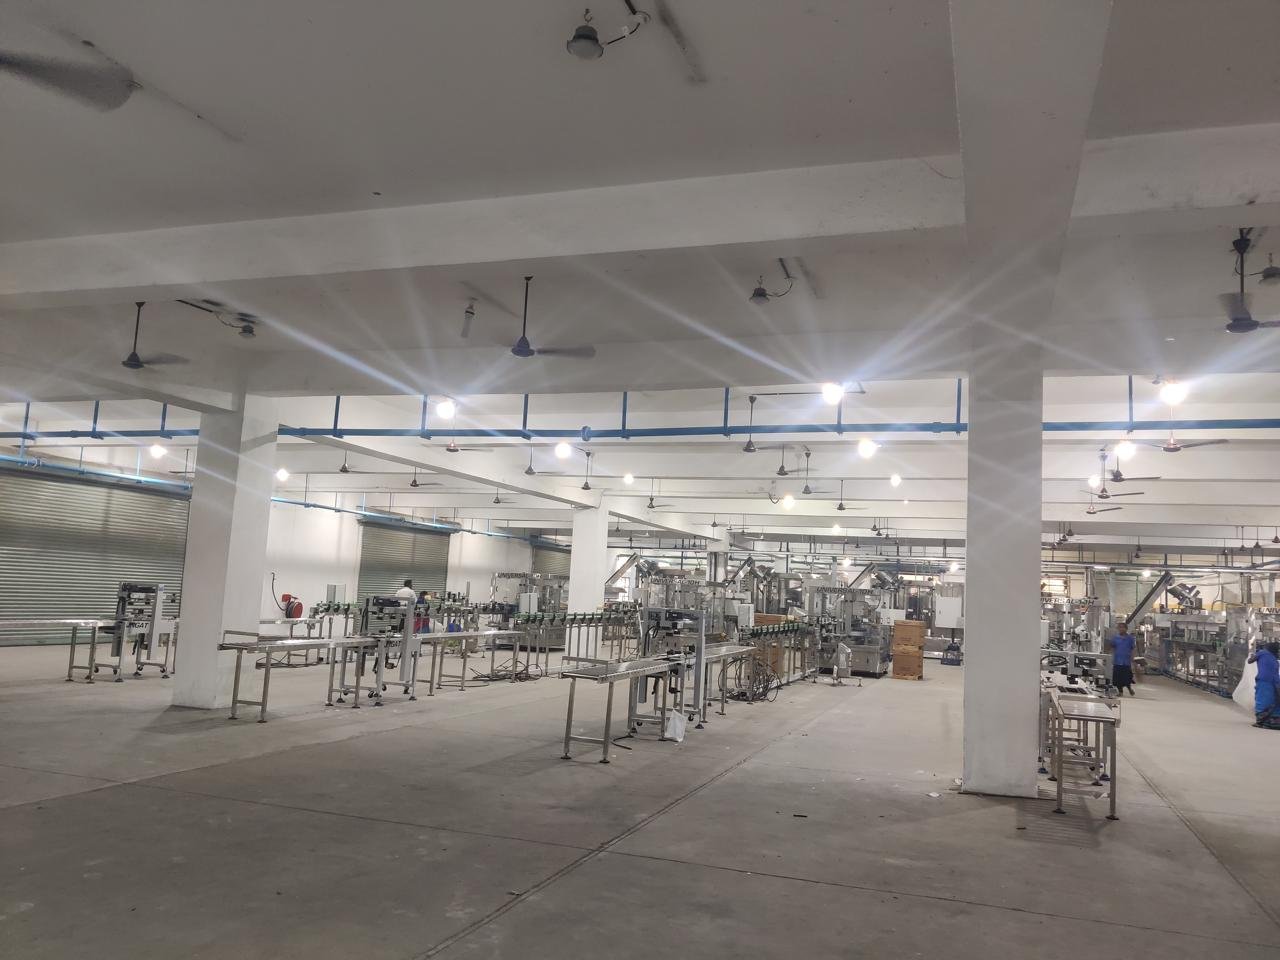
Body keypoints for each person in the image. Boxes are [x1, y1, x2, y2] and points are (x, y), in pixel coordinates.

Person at [1248, 641, 1280, 729]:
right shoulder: (1275, 659)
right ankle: (1275, 720)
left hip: (1264, 680)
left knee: (1263, 699)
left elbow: (1250, 661)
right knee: (1275, 699)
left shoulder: (1262, 653)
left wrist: (1252, 655)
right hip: (1276, 682)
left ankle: (1262, 721)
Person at [1109, 621, 1137, 696]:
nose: (1121, 629)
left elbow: (1133, 649)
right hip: (1117, 661)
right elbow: (1112, 648)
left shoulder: (1130, 638)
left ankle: (1129, 688)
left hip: (1126, 661)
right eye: (1119, 627)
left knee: (1127, 677)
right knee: (1117, 678)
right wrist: (1110, 657)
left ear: (1126, 629)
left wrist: (1133, 658)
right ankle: (1120, 692)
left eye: (1123, 627)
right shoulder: (1115, 638)